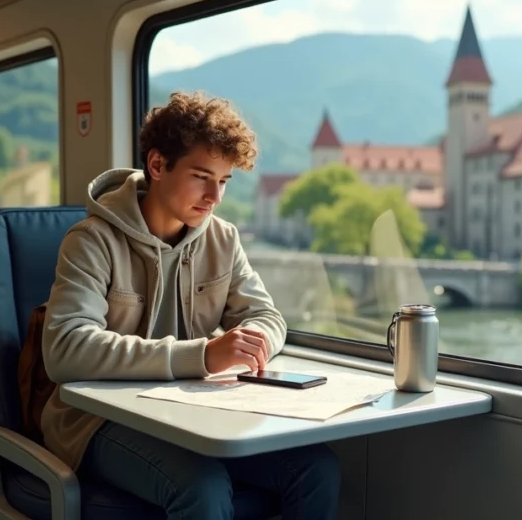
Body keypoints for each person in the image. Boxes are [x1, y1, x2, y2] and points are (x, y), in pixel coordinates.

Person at [40, 91, 340, 519]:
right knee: (203, 486)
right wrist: (201, 355)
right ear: (158, 165)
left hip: (190, 412)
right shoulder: (91, 241)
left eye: (224, 181)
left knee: (316, 468)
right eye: (202, 177)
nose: (215, 196)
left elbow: (267, 316)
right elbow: (65, 350)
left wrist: (251, 342)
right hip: (94, 421)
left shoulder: (223, 238)